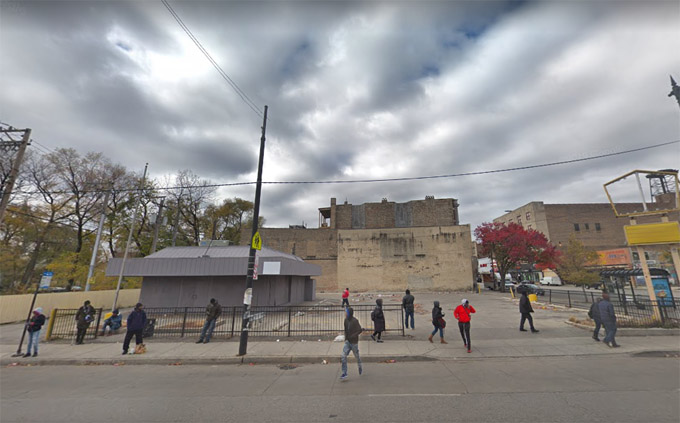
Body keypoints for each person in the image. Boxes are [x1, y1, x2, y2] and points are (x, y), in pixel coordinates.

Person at [340, 307, 363, 380]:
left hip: (354, 342)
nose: (345, 314)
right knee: (343, 356)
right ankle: (344, 372)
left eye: (346, 312)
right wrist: (346, 338)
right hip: (348, 342)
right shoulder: (346, 320)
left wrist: (353, 336)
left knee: (357, 356)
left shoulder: (355, 321)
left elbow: (359, 330)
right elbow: (345, 330)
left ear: (349, 313)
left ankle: (359, 366)